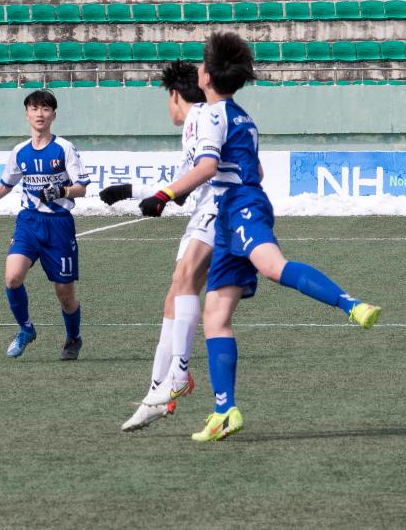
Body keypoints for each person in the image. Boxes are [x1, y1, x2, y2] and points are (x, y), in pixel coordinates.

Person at [137, 32, 382, 442]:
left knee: (272, 267)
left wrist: (166, 195)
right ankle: (224, 411)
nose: (197, 68)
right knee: (215, 317)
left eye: (202, 64)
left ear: (208, 78)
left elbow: (209, 166)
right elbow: (255, 169)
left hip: (241, 206)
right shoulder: (241, 115)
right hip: (231, 212)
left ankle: (350, 304)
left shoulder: (212, 115)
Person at [102, 61, 213, 432]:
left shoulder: (199, 116)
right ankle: (157, 394)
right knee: (173, 297)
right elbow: (181, 187)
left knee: (184, 282)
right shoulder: (198, 122)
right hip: (201, 213)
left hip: (219, 211)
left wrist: (161, 195)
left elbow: (194, 179)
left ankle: (179, 374)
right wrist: (131, 191)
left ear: (175, 95)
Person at [0, 89, 90, 360]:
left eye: (45, 109)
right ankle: (26, 330)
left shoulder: (65, 148)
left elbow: (81, 187)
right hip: (28, 223)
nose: (40, 114)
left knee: (65, 294)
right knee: (12, 278)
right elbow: (5, 185)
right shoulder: (19, 152)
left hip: (59, 225)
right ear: (27, 114)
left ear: (53, 115)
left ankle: (73, 338)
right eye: (35, 109)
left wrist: (61, 191)